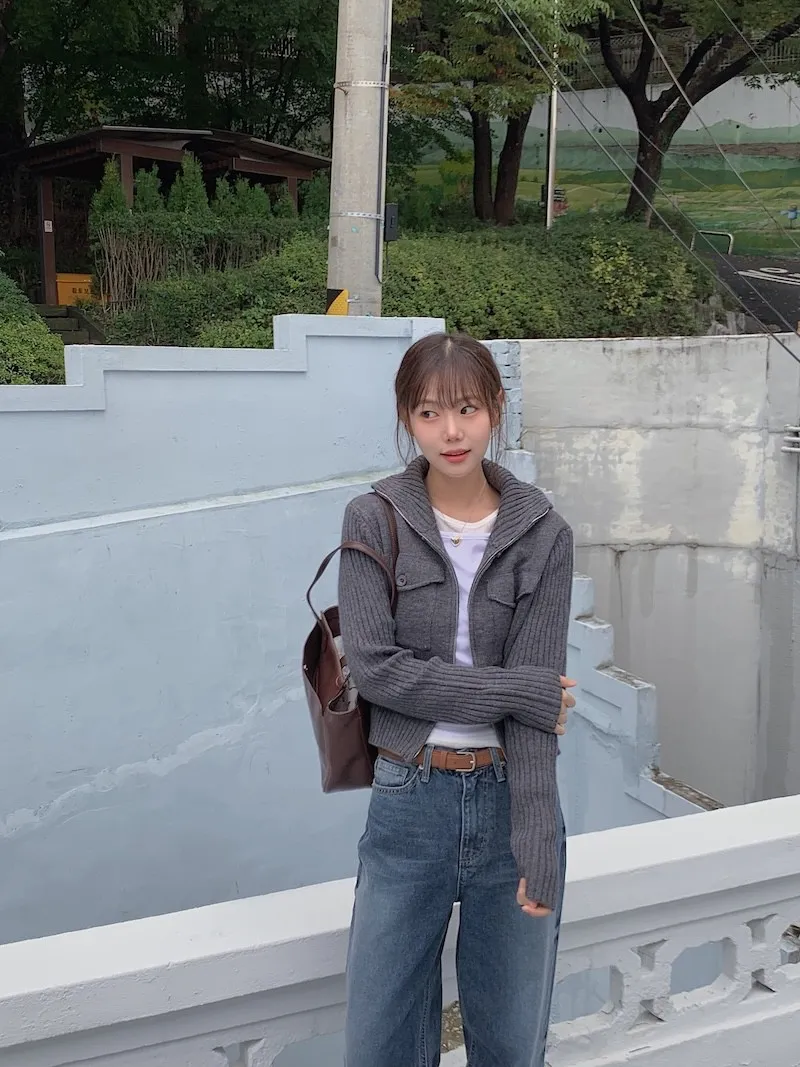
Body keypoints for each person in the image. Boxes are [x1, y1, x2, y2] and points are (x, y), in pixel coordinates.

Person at [338, 331, 575, 1067]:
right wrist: (521, 689)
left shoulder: (544, 533)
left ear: (496, 409)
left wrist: (537, 835)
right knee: (379, 1044)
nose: (451, 431)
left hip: (511, 801)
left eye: (467, 409)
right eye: (430, 412)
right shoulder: (373, 518)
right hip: (409, 798)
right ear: (406, 417)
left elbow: (535, 720)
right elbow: (377, 670)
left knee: (509, 1044)